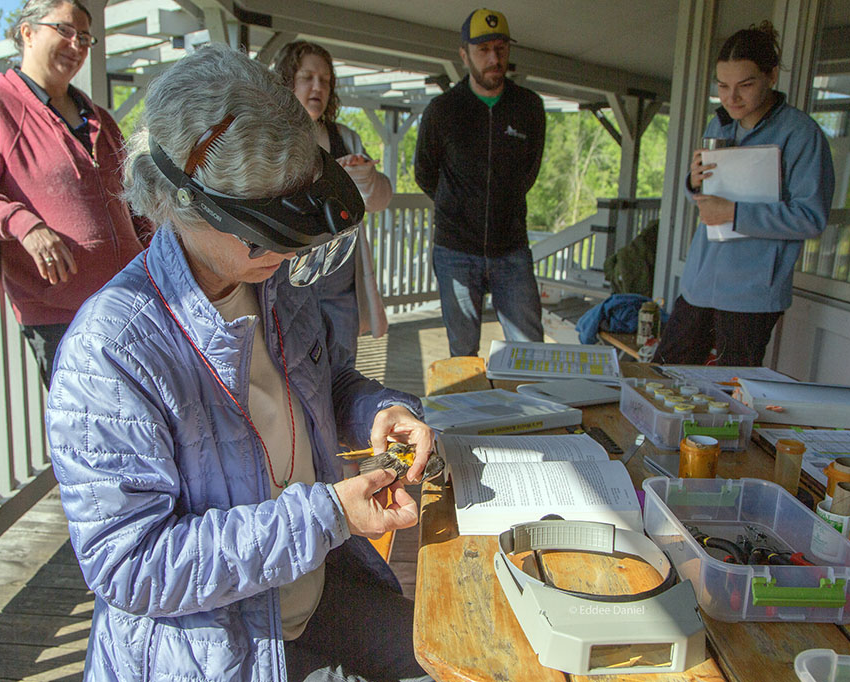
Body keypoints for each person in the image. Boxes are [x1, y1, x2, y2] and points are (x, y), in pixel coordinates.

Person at [44, 43, 434, 682]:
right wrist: (328, 513)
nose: (283, 249)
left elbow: (321, 379)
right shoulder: (113, 349)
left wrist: (376, 408)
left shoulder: (273, 280)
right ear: (179, 203)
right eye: (264, 229)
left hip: (321, 588)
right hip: (216, 648)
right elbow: (130, 565)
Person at [0, 0, 146, 386]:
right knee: (88, 434)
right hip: (60, 313)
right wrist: (25, 224)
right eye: (64, 30)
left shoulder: (100, 118)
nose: (77, 45)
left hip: (130, 299)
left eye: (84, 37)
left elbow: (135, 202)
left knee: (145, 424)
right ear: (27, 32)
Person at [653, 21, 833, 367]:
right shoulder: (719, 124)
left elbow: (811, 219)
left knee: (730, 392)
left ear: (772, 76)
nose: (731, 98)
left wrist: (734, 212)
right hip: (701, 281)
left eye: (745, 85)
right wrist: (695, 183)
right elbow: (707, 202)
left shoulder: (801, 134)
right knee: (663, 374)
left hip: (752, 292)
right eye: (722, 86)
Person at [414, 8, 546, 358]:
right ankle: (468, 413)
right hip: (454, 250)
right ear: (464, 54)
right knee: (463, 356)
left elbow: (529, 172)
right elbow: (424, 172)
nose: (493, 58)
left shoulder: (529, 107)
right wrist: (459, 206)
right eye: (483, 50)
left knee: (530, 349)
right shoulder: (443, 110)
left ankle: (529, 413)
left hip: (512, 250)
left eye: (500, 48)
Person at [273, 40, 393, 367]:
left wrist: (364, 180)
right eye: (308, 77)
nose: (318, 87)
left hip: (341, 284)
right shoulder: (272, 138)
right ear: (287, 82)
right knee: (293, 371)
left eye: (325, 80)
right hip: (287, 282)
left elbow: (380, 200)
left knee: (342, 371)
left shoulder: (346, 138)